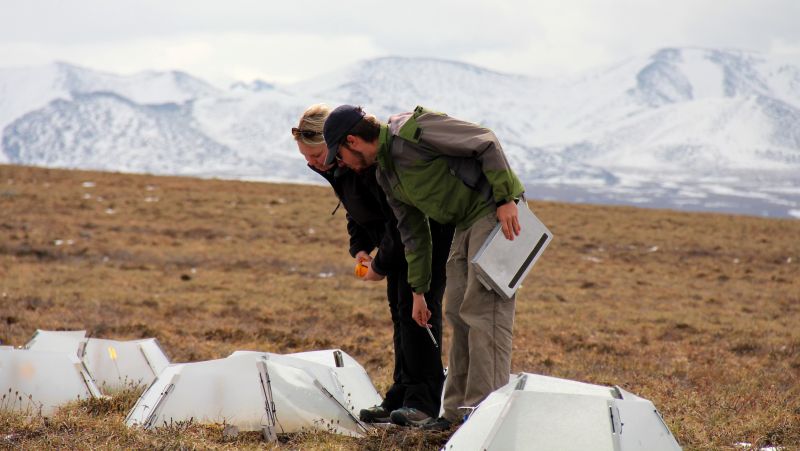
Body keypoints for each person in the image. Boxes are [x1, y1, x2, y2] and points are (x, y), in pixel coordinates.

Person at [322, 105, 525, 430]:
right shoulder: (386, 173)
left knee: (484, 313)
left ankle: (484, 418)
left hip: (494, 211)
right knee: (459, 312)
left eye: (341, 154)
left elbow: (485, 141)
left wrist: (505, 199)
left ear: (353, 140)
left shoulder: (413, 129)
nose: (341, 163)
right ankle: (456, 415)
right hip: (464, 223)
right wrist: (418, 292)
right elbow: (414, 235)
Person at [292, 104, 454, 426]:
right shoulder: (337, 167)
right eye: (307, 158)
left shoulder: (363, 164)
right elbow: (356, 210)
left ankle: (422, 402)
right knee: (399, 312)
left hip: (422, 239)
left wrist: (380, 264)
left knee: (417, 315)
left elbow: (400, 220)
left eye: (317, 154)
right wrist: (360, 248)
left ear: (340, 142)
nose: (313, 163)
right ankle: (401, 394)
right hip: (396, 244)